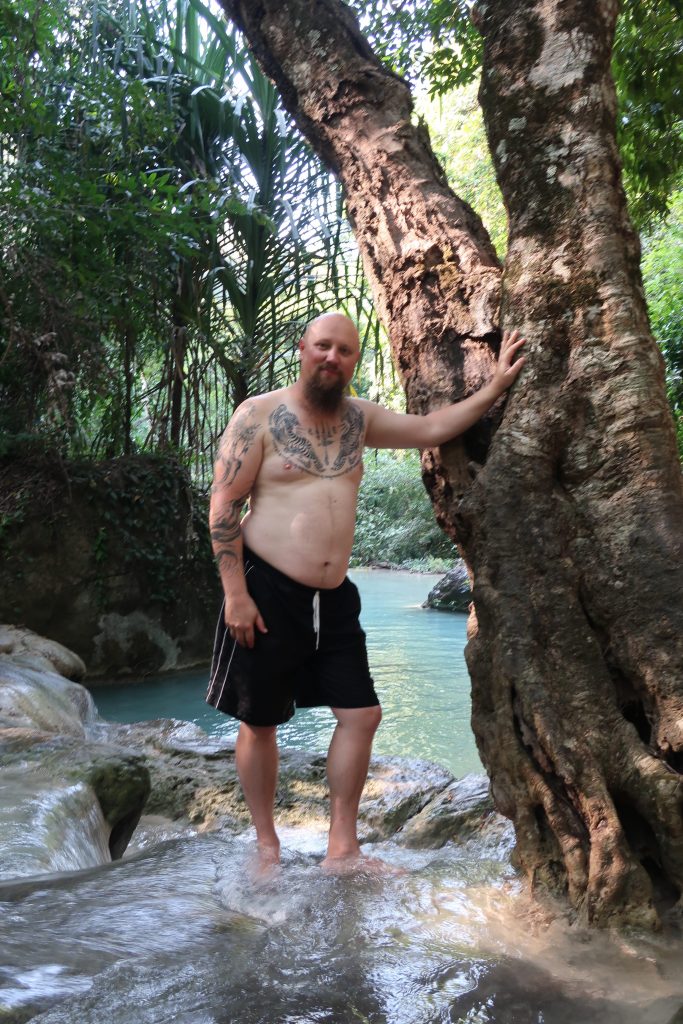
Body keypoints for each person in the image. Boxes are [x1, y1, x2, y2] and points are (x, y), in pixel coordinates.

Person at [206, 312, 525, 874]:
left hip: (333, 597)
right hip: (265, 588)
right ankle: (266, 846)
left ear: (354, 360)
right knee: (259, 721)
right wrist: (236, 594)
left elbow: (431, 428)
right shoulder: (257, 415)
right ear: (303, 348)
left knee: (361, 714)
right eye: (323, 346)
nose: (332, 357)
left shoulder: (360, 419)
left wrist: (496, 386)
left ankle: (343, 849)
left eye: (345, 350)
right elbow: (225, 505)